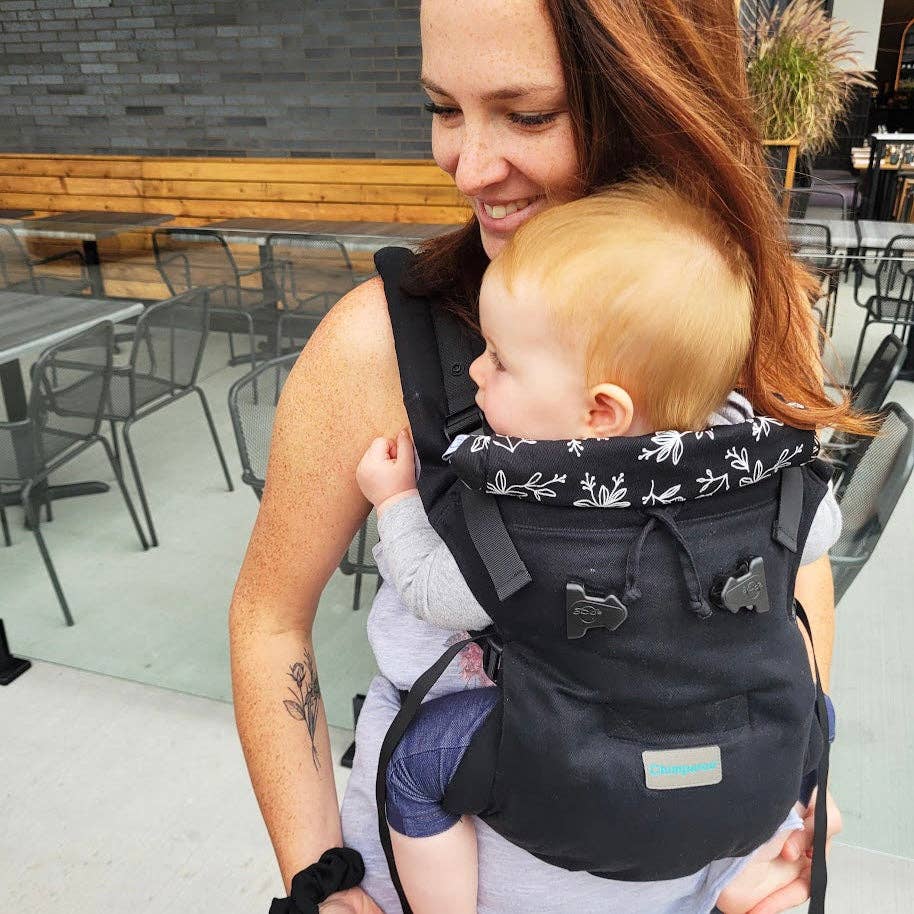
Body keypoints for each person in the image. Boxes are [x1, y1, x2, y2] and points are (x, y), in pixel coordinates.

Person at [230, 2, 854, 912]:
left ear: (659, 106)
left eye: (528, 115)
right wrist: (318, 880)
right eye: (444, 107)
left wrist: (786, 792)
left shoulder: (748, 314)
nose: (468, 166)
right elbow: (270, 619)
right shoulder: (379, 343)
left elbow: (797, 571)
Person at [355, 182, 837, 914]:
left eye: (500, 360)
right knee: (815, 711)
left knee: (415, 761)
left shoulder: (523, 518)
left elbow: (428, 588)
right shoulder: (773, 477)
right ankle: (749, 858)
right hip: (748, 767)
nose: (477, 372)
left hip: (585, 774)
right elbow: (817, 537)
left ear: (600, 411)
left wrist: (393, 501)